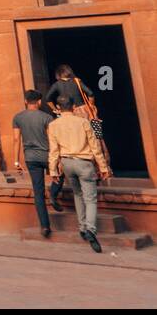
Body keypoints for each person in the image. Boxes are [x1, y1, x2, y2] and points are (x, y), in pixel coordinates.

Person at [47, 95, 113, 253]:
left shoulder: (53, 125)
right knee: (90, 198)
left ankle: (82, 227)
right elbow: (94, 146)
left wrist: (53, 170)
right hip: (84, 162)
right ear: (74, 106)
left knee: (77, 194)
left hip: (67, 163)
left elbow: (53, 150)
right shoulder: (83, 122)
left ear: (58, 107)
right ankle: (90, 229)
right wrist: (103, 167)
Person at [43, 64, 106, 209]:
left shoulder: (57, 85)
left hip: (66, 116)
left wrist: (56, 110)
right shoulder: (77, 81)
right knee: (97, 139)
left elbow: (48, 98)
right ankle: (102, 168)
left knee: (67, 142)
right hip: (85, 113)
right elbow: (90, 93)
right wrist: (90, 106)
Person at [11, 90, 56, 238]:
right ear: (39, 102)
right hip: (47, 156)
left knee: (38, 192)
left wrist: (16, 160)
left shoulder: (18, 118)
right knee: (60, 177)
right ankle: (54, 195)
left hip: (30, 158)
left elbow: (16, 140)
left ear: (25, 101)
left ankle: (44, 226)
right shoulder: (47, 117)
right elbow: (52, 139)